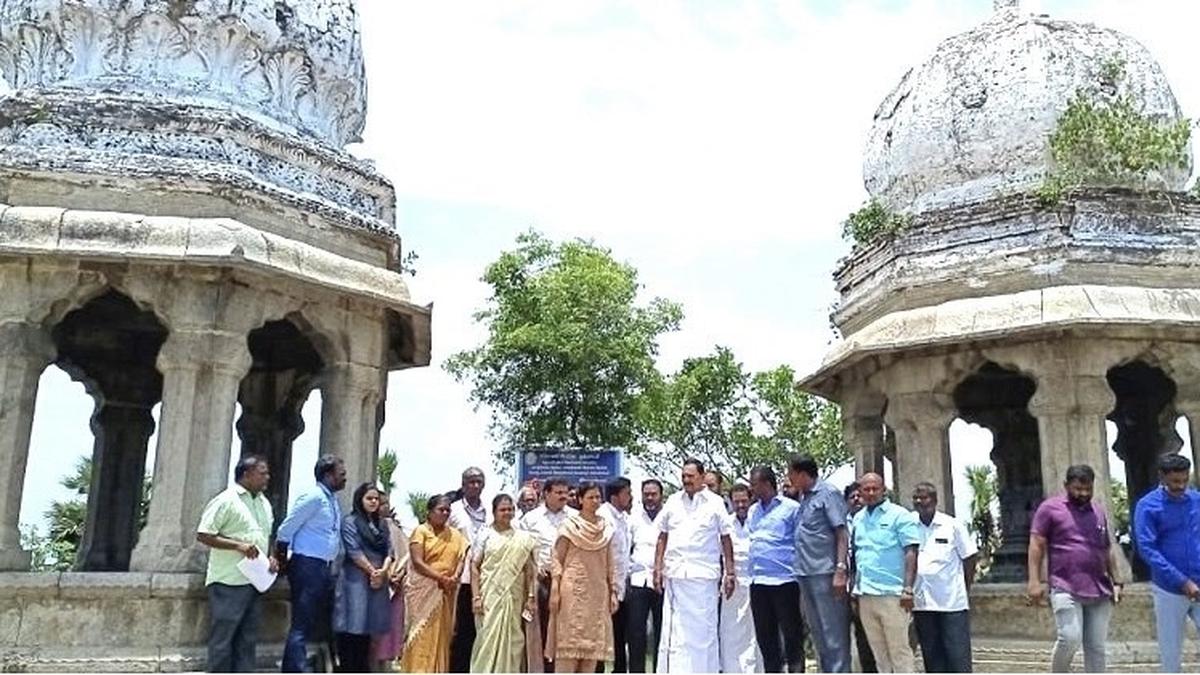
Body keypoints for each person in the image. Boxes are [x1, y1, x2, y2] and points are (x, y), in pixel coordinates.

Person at [1027, 464, 1124, 673]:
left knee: (1096, 647)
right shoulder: (1050, 509)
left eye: (1088, 489)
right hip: (1065, 585)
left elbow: (1107, 548)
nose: (1083, 493)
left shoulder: (1098, 511)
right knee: (1070, 638)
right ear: (1066, 485)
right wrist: (1034, 581)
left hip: (1099, 588)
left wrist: (1117, 581)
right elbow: (1036, 544)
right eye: (1078, 489)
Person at [654, 458, 736, 673]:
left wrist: (730, 572)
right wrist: (657, 569)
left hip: (704, 577)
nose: (686, 480)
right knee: (676, 634)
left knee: (704, 632)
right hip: (676, 576)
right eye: (683, 476)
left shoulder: (715, 502)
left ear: (701, 476)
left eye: (690, 476)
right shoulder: (673, 501)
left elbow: (726, 538)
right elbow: (662, 535)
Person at [197, 455, 276, 672]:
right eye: (262, 473)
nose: (267, 478)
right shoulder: (226, 500)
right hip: (228, 580)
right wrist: (237, 546)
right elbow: (204, 534)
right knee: (223, 637)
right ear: (247, 474)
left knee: (248, 638)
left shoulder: (263, 502)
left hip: (254, 579)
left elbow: (266, 535)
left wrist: (270, 556)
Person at [276, 455, 347, 673]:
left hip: (323, 566)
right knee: (302, 621)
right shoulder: (313, 497)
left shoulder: (331, 500)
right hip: (307, 564)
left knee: (311, 621)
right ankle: (298, 668)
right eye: (341, 474)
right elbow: (285, 530)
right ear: (328, 475)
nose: (345, 478)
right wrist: (282, 560)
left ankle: (292, 667)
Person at [1135, 453, 1200, 672]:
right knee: (1171, 652)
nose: (1181, 486)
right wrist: (1181, 581)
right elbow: (1147, 549)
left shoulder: (1197, 500)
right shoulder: (1148, 506)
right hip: (1169, 589)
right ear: (1162, 477)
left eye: (1184, 480)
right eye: (1175, 482)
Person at [788, 455, 852, 673]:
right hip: (805, 572)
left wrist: (840, 570)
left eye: (791, 474)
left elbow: (841, 533)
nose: (789, 479)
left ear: (802, 473)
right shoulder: (804, 498)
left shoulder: (828, 494)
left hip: (825, 573)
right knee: (819, 635)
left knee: (834, 633)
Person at [546, 481, 617, 672]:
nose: (595, 501)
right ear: (579, 499)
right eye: (590, 497)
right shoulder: (569, 526)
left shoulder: (606, 528)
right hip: (572, 591)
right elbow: (556, 559)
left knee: (591, 652)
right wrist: (555, 588)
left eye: (598, 497)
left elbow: (611, 563)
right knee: (568, 648)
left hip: (598, 594)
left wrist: (613, 592)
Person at [851, 472, 919, 674]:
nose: (871, 493)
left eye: (875, 488)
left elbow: (911, 552)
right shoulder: (858, 519)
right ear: (860, 491)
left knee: (899, 652)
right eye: (866, 489)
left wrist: (907, 588)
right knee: (879, 654)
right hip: (866, 595)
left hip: (893, 595)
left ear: (884, 490)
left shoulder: (899, 515)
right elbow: (857, 556)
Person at [911, 482, 978, 673]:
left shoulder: (952, 525)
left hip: (951, 604)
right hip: (922, 604)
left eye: (923, 497)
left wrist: (965, 587)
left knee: (957, 657)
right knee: (932, 657)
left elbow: (970, 558)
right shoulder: (908, 525)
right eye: (916, 498)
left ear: (934, 500)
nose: (919, 502)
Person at [401, 494, 469, 673]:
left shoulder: (455, 535)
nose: (445, 513)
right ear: (429, 512)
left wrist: (455, 576)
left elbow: (462, 556)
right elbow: (417, 561)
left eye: (448, 510)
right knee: (420, 634)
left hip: (446, 591)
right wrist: (441, 578)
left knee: (442, 636)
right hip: (423, 589)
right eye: (441, 510)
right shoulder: (421, 532)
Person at [470, 493, 539, 673]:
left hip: (514, 597)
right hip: (489, 596)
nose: (507, 513)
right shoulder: (485, 534)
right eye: (503, 510)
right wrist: (476, 597)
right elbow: (474, 567)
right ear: (494, 512)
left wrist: (531, 596)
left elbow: (530, 571)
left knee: (514, 639)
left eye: (510, 509)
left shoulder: (523, 538)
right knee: (486, 637)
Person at [746, 466, 804, 673]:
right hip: (758, 582)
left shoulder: (791, 508)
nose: (751, 489)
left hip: (785, 581)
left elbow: (801, 542)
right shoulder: (753, 511)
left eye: (754, 484)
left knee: (791, 635)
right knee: (765, 636)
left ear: (767, 484)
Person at [520, 477, 579, 671]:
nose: (564, 496)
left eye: (565, 492)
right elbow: (523, 552)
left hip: (569, 581)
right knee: (545, 629)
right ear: (546, 494)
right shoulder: (530, 519)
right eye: (559, 492)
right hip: (542, 581)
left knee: (568, 629)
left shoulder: (576, 517)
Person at [333, 483, 393, 673]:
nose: (374, 502)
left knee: (369, 627)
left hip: (378, 580)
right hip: (356, 579)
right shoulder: (350, 521)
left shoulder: (382, 524)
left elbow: (389, 551)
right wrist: (372, 571)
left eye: (376, 498)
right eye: (369, 498)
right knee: (353, 624)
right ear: (360, 499)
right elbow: (353, 551)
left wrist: (382, 572)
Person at [449, 467, 488, 673]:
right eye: (471, 482)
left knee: (479, 632)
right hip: (459, 579)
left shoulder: (490, 511)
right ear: (463, 485)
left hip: (485, 580)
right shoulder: (453, 510)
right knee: (459, 631)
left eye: (479, 482)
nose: (475, 486)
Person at [722, 484, 763, 673]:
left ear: (751, 499)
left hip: (756, 583)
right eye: (736, 501)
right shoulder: (725, 523)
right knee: (731, 632)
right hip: (732, 585)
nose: (740, 505)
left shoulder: (759, 519)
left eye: (744, 501)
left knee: (756, 633)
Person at [627, 479, 666, 673]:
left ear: (661, 495)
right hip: (638, 581)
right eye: (646, 494)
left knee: (662, 631)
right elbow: (626, 548)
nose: (650, 498)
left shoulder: (670, 516)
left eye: (654, 494)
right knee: (636, 632)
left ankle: (661, 670)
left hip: (663, 581)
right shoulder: (633, 517)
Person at [598, 477, 634, 673]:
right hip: (603, 586)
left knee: (620, 635)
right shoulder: (602, 517)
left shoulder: (625, 518)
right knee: (600, 636)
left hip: (622, 586)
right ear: (614, 496)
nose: (630, 497)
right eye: (626, 493)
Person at [371, 493, 409, 670]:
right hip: (376, 583)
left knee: (389, 635)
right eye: (381, 503)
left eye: (387, 504)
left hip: (395, 586)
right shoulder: (370, 527)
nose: (384, 507)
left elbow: (406, 553)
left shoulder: (393, 528)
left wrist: (398, 573)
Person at [844, 482, 877, 674]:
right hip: (842, 589)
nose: (856, 499)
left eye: (859, 496)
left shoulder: (873, 522)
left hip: (867, 588)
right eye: (852, 497)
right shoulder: (839, 524)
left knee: (868, 638)